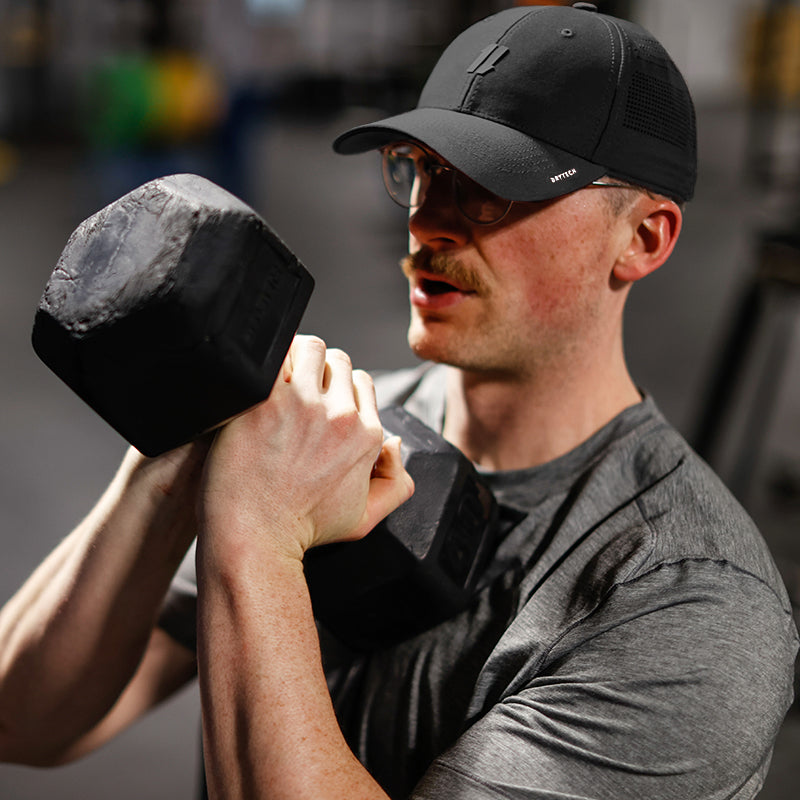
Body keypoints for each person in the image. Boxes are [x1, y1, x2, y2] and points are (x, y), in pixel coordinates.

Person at [0, 4, 797, 799]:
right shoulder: (327, 431)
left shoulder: (690, 603)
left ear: (644, 239)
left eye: (490, 188)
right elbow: (24, 720)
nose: (428, 222)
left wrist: (259, 532)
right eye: (423, 169)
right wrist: (167, 464)